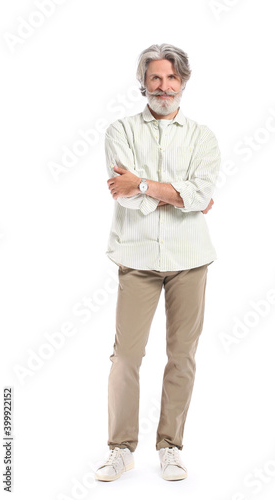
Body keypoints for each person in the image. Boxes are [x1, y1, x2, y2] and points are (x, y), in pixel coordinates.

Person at [95, 43, 221, 482]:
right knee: (126, 356)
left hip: (191, 259)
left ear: (183, 82)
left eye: (171, 78)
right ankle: (120, 448)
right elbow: (125, 199)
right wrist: (178, 195)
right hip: (137, 258)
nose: (163, 86)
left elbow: (201, 194)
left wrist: (145, 185)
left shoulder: (202, 136)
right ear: (143, 83)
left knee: (182, 356)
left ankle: (170, 446)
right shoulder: (121, 130)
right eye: (155, 78)